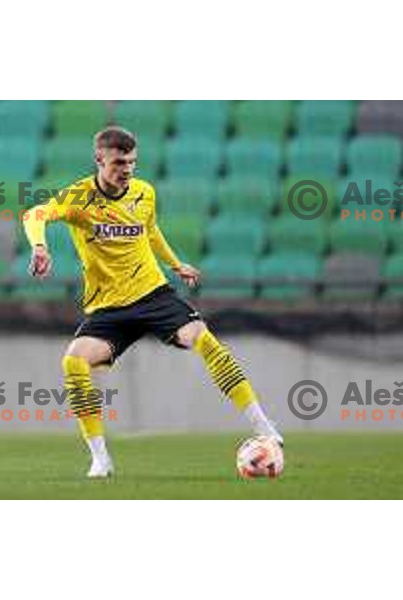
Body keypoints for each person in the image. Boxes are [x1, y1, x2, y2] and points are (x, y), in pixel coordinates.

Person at [23, 126, 282, 477]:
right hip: (108, 308)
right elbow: (34, 215)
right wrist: (40, 246)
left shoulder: (144, 193)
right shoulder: (78, 198)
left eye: (131, 162)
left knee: (204, 339)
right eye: (118, 162)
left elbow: (150, 230)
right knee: (74, 363)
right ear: (99, 159)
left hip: (153, 295)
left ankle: (264, 427)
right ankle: (100, 458)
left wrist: (175, 264)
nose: (127, 169)